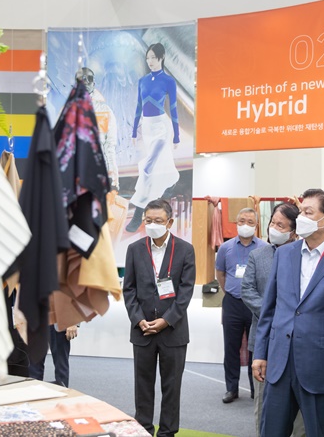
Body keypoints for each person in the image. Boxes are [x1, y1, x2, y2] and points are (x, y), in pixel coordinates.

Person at [252, 189, 324, 437]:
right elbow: (269, 308)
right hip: (279, 364)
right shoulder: (284, 254)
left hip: (321, 368)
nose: (300, 217)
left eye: (308, 212)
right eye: (300, 211)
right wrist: (260, 352)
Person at [123, 198, 196, 437]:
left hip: (173, 331)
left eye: (158, 220)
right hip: (142, 330)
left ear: (170, 222)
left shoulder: (185, 249)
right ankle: (143, 430)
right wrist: (138, 319)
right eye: (148, 220)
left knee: (171, 387)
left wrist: (166, 320)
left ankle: (167, 432)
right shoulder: (135, 249)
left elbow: (185, 292)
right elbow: (129, 289)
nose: (152, 225)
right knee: (142, 386)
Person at [241, 203, 305, 437]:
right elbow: (247, 290)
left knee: (299, 410)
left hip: (297, 341)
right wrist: (276, 315)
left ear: (294, 232)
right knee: (264, 403)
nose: (274, 229)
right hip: (264, 340)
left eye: (281, 225)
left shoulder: (304, 257)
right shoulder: (258, 255)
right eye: (272, 223)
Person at [125, 43, 181, 232]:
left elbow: (173, 108)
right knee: (156, 168)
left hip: (161, 129)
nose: (150, 61)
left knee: (148, 168)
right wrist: (134, 131)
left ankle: (137, 214)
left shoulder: (168, 81)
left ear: (161, 57)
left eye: (153, 58)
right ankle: (172, 179)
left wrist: (176, 135)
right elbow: (138, 106)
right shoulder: (143, 81)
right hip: (147, 128)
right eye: (148, 58)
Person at [216, 208, 268, 403]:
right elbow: (220, 274)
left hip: (255, 304)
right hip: (232, 303)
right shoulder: (225, 248)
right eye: (242, 221)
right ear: (236, 223)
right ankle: (231, 388)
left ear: (256, 225)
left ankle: (256, 389)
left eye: (250, 222)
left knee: (255, 347)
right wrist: (231, 291)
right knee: (231, 347)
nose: (245, 225)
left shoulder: (265, 248)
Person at [79, 67, 119, 190]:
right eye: (82, 79)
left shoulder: (105, 111)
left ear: (94, 83)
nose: (86, 82)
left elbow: (110, 146)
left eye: (89, 79)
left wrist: (113, 175)